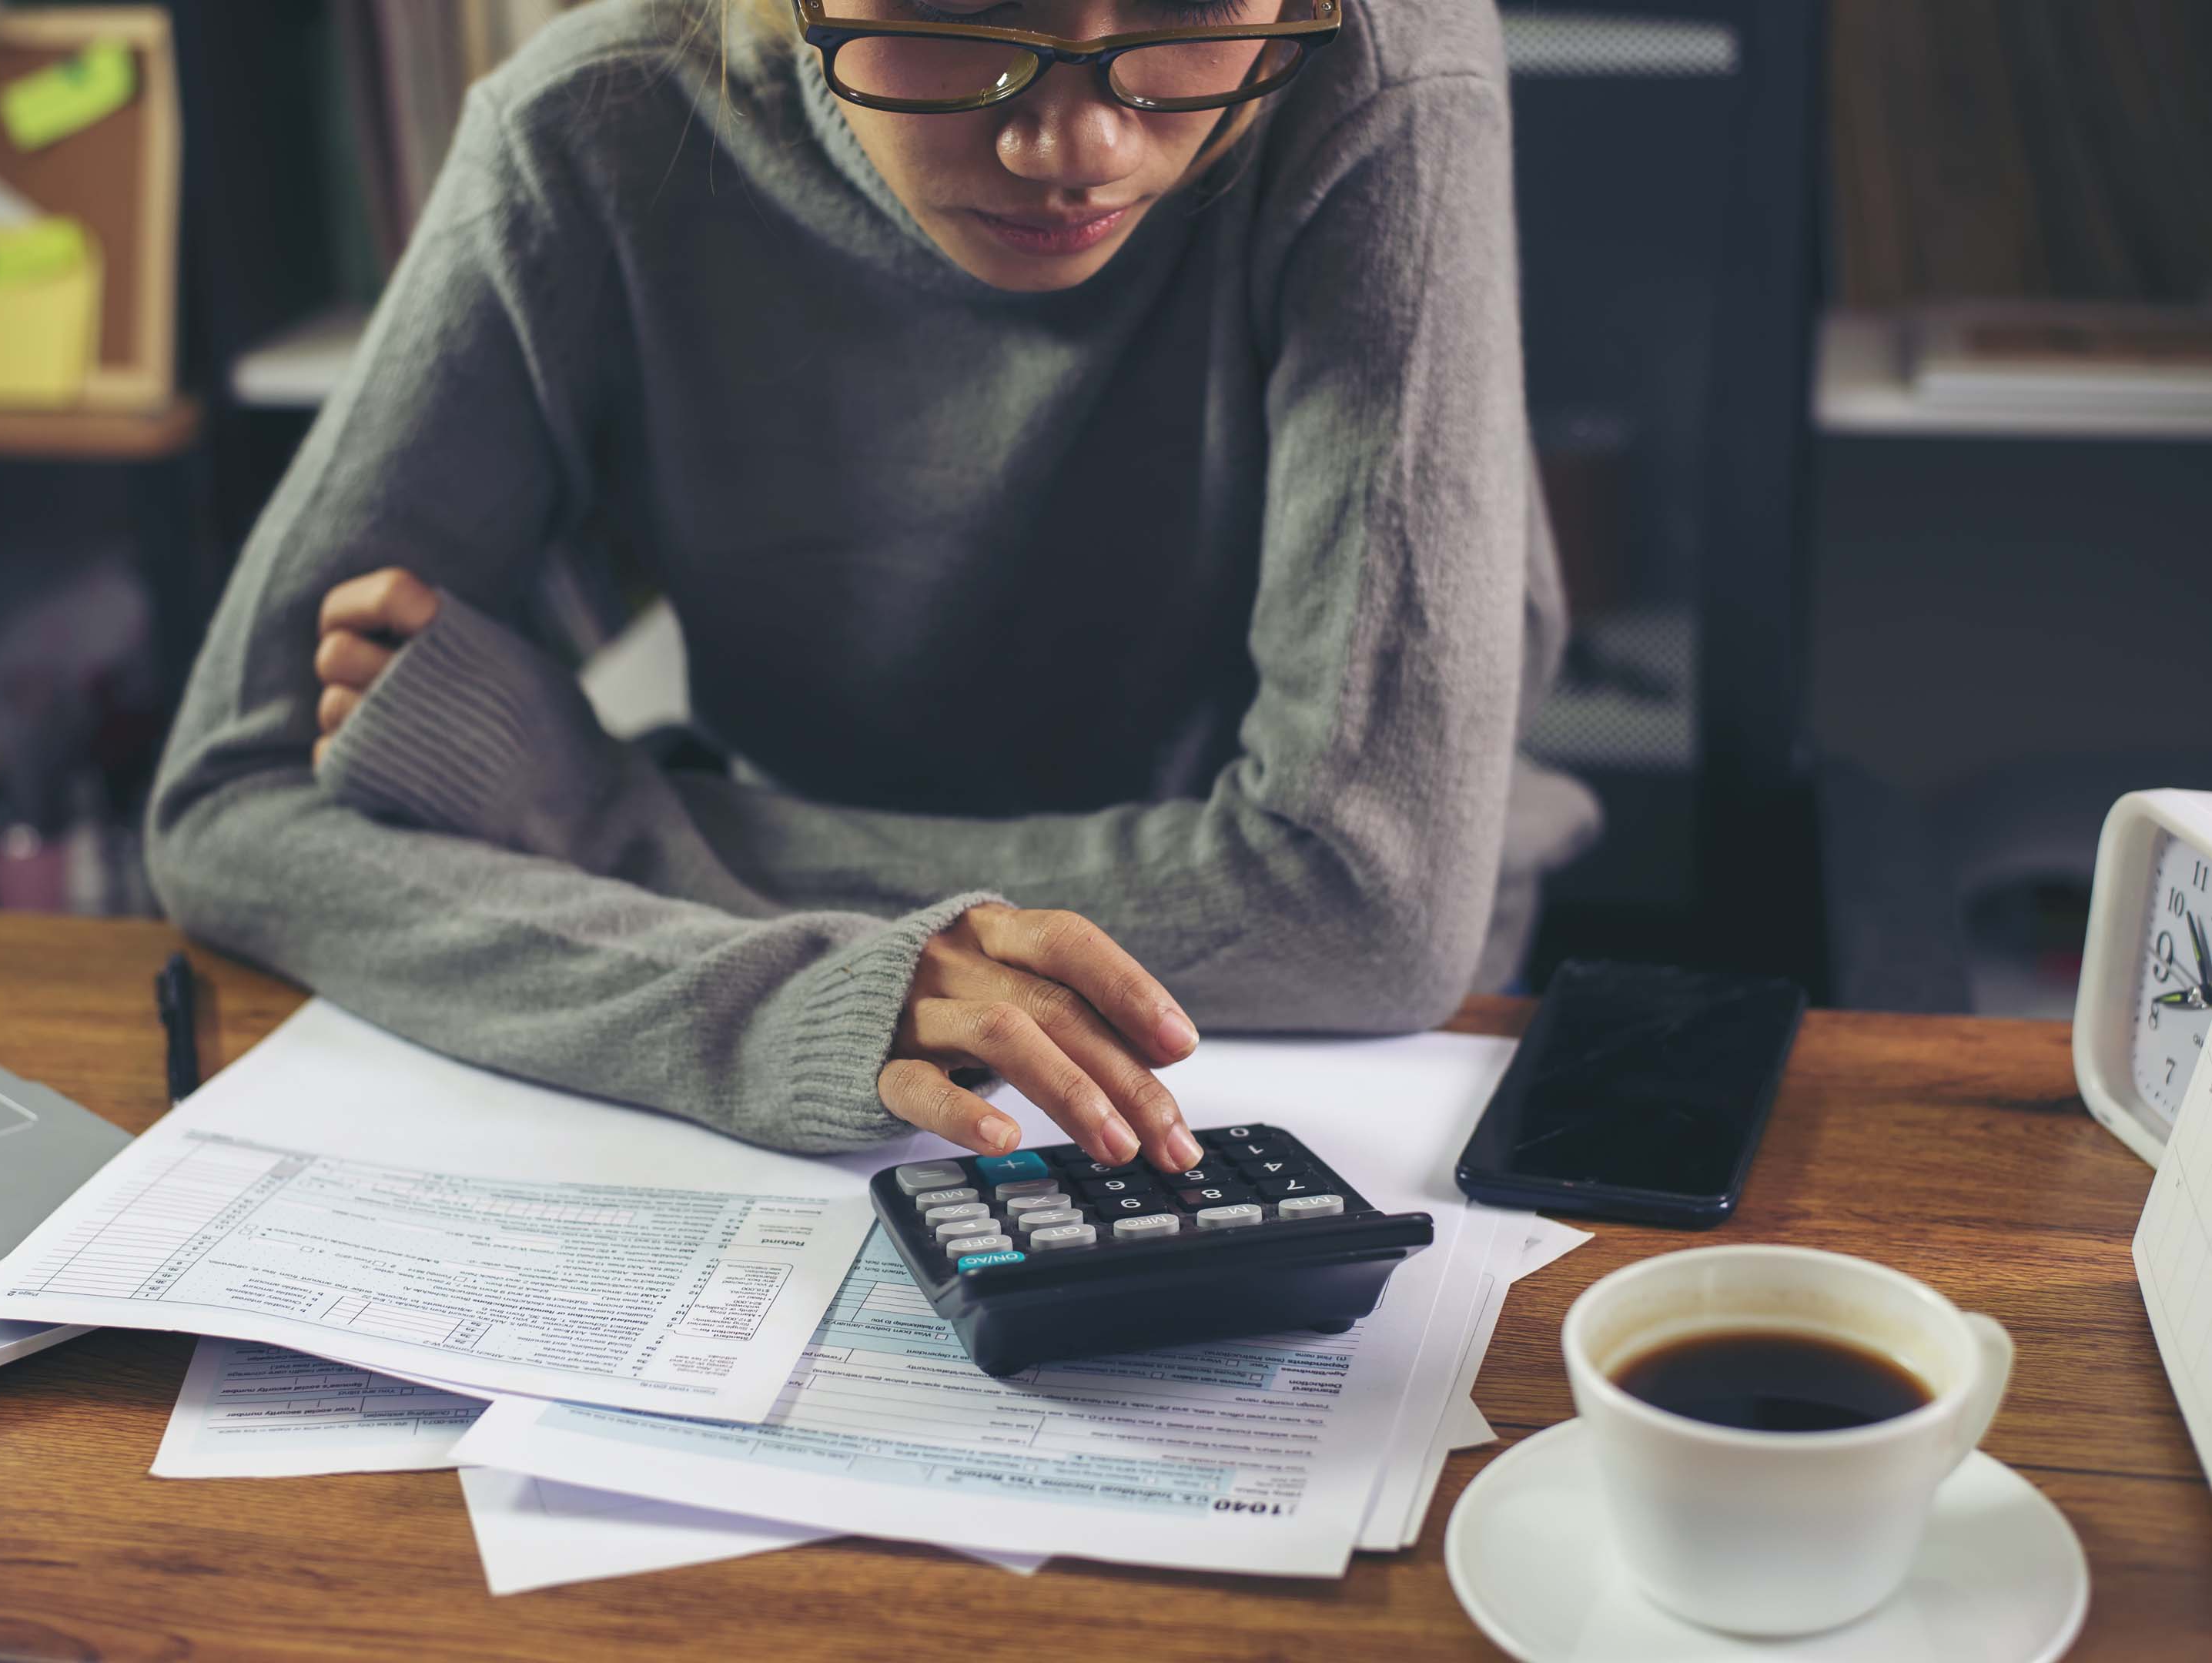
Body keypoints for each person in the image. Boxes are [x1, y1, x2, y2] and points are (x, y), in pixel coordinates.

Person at [146, 0, 1598, 1178]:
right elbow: (235, 802)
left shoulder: (1372, 70)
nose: (1077, 143)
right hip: (796, 1008)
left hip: (1307, 1042)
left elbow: (1368, 909)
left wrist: (602, 818)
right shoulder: (590, 128)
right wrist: (803, 995)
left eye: (1185, 6)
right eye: (965, 11)